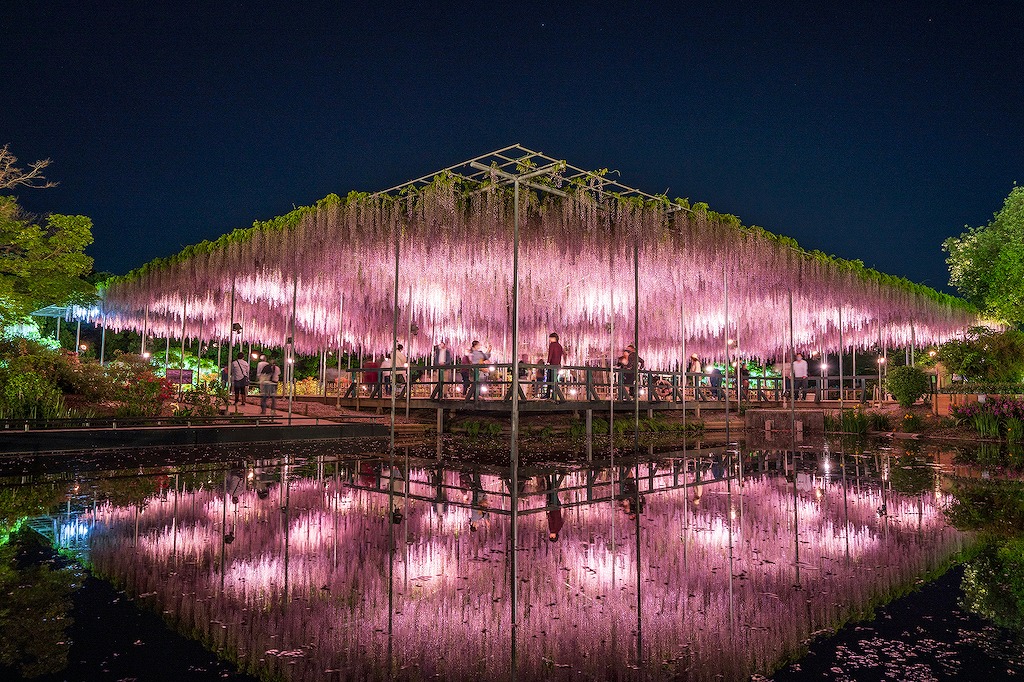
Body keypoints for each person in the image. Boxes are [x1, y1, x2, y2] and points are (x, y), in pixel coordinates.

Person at [544, 332, 564, 399]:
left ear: (554, 338)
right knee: (554, 380)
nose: (549, 339)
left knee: (549, 380)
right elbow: (560, 356)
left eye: (550, 338)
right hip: (557, 365)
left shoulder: (552, 345)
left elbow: (550, 354)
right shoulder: (560, 346)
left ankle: (547, 394)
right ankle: (553, 395)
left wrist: (548, 362)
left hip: (552, 365)